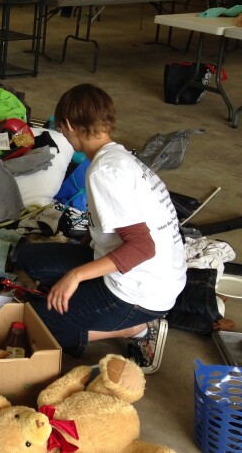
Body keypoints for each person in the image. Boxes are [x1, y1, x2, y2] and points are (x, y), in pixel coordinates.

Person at [15, 84, 186, 374]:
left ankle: (134, 328)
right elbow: (109, 226)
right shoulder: (118, 158)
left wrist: (75, 275)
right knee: (29, 257)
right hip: (147, 273)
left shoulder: (105, 173)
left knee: (35, 324)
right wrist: (79, 254)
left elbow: (143, 247)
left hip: (139, 294)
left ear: (68, 125)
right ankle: (87, 305)